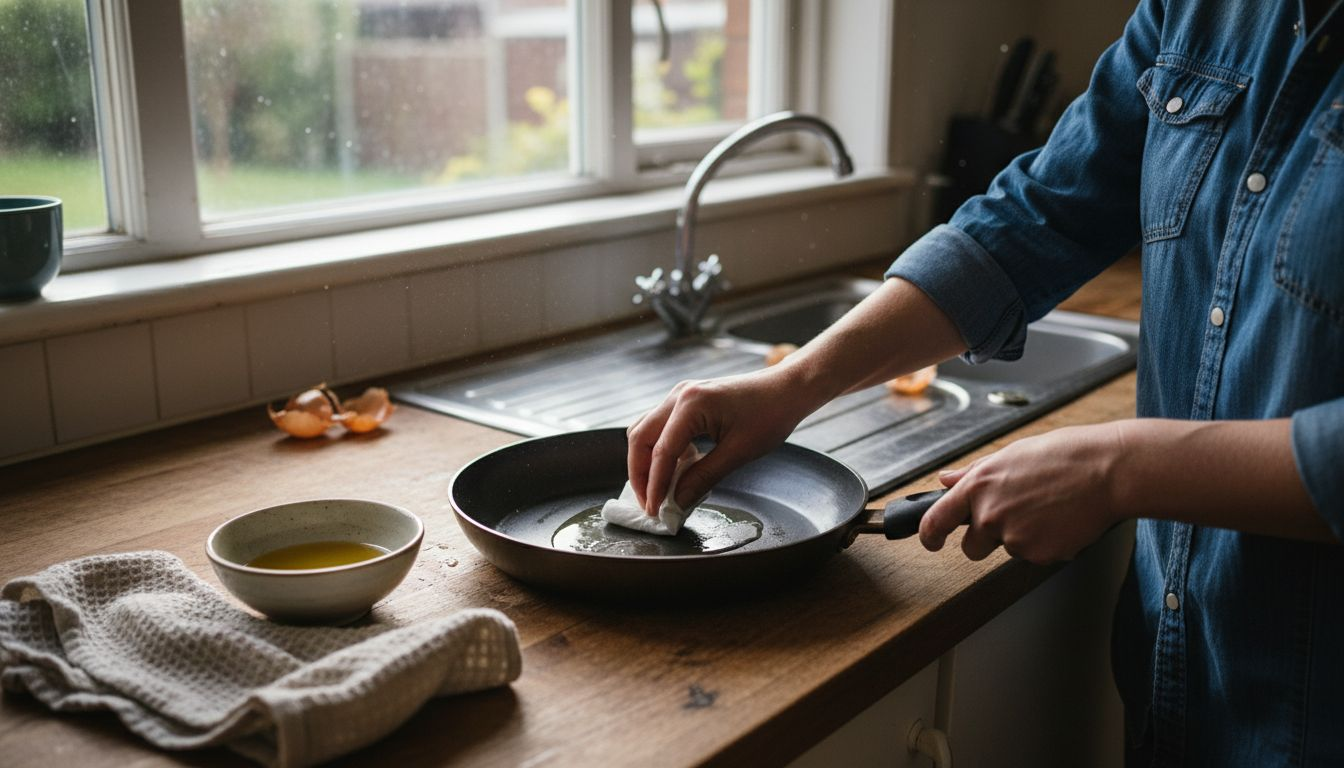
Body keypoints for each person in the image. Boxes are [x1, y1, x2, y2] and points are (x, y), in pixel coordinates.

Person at [626, 0, 1344, 764]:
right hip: (1178, 685)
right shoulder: (1201, 11)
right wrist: (796, 383)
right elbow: (1041, 215)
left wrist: (1120, 468)